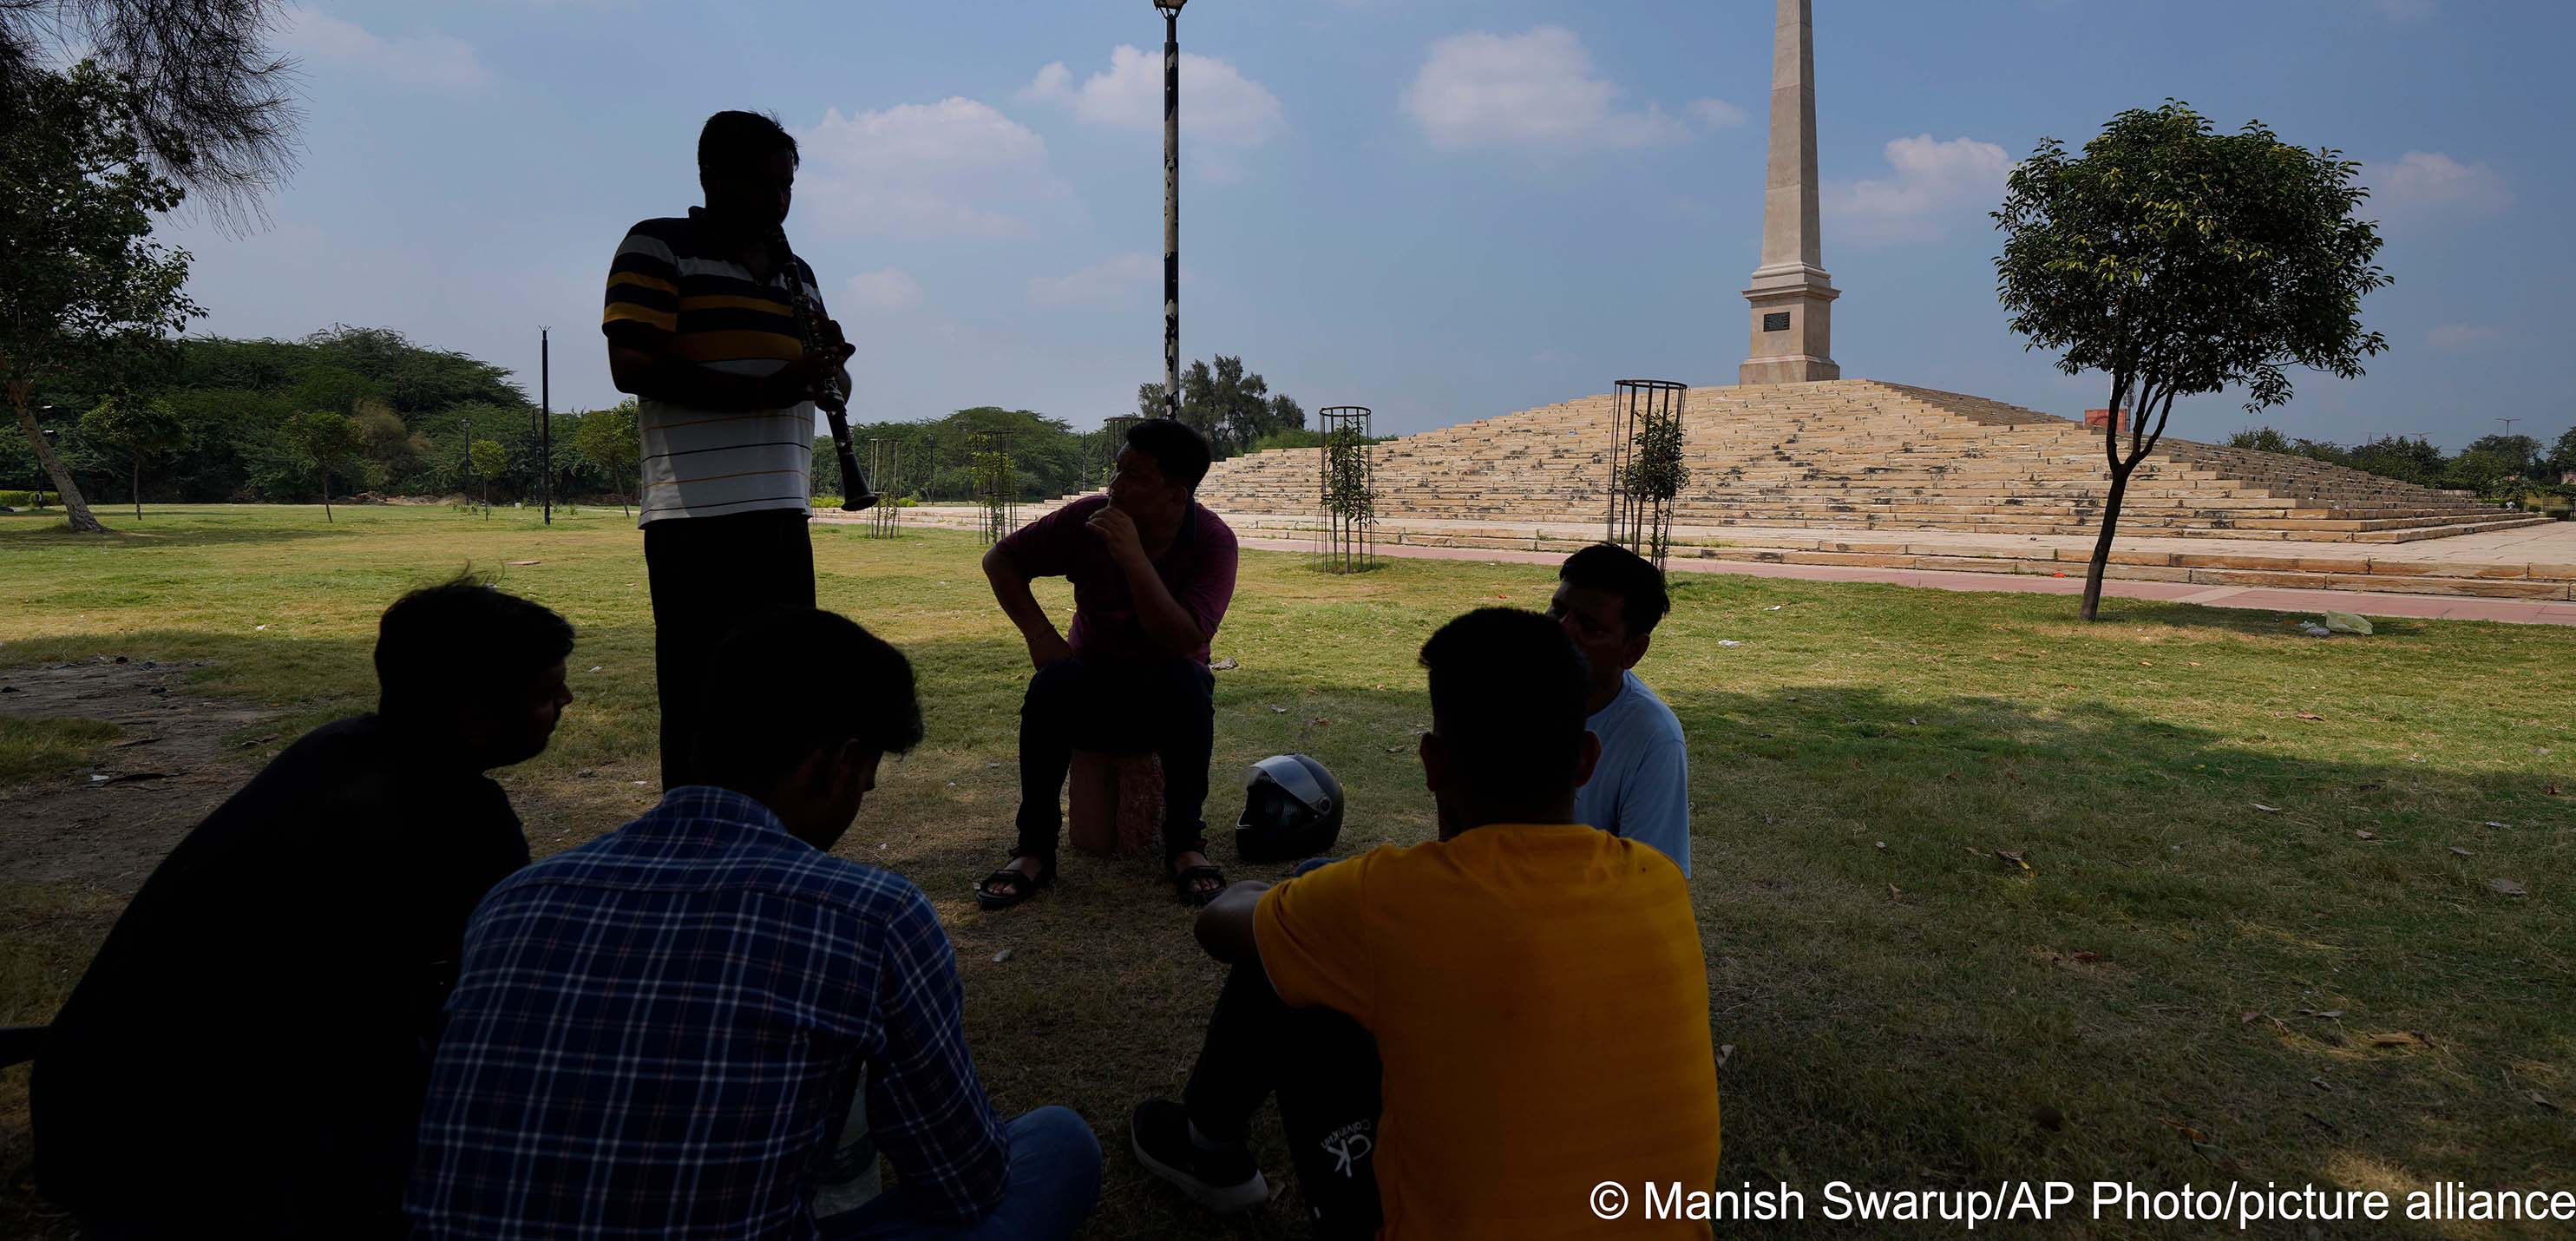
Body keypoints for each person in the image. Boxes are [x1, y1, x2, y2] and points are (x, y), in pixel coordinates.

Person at [409, 609, 1101, 1241]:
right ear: (839, 765)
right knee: (1059, 1143)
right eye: (867, 780)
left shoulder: (515, 900)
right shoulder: (871, 914)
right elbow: (963, 1183)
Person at [1130, 607, 1721, 1239]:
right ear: (1585, 759)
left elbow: (1218, 924)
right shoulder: (1658, 881)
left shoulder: (1390, 895)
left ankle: (1209, 1148)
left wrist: (1300, 891)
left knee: (1295, 963)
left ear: (1432, 763)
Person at [34, 577, 574, 1240]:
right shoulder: (457, 815)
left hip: (91, 1106)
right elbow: (496, 1005)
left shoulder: (336, 748)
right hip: (211, 1165)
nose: (565, 702)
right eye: (548, 693)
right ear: (474, 715)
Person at [605, 108, 855, 789]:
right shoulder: (657, 247)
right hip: (694, 521)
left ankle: (767, 837)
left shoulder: (797, 273)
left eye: (786, 187)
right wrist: (767, 390)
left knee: (781, 698)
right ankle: (693, 850)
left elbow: (832, 387)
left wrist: (829, 370)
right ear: (712, 178)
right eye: (762, 185)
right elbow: (632, 365)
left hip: (782, 510)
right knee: (698, 697)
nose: (778, 201)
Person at [974, 417, 1237, 909]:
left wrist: (1134, 559)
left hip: (1165, 705)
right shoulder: (1088, 518)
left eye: (1135, 477)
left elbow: (1186, 639)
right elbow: (1000, 560)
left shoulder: (1212, 541)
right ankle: (1033, 850)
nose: (1115, 486)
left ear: (1177, 496)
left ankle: (1185, 844)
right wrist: (1040, 635)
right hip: (1092, 691)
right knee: (1054, 682)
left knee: (1189, 681)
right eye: (1118, 470)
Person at [1550, 542, 1692, 875]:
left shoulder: (1654, 738)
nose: (1562, 631)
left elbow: (1651, 881)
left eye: (1589, 626)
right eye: (1558, 611)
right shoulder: (1501, 697)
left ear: (1633, 651)